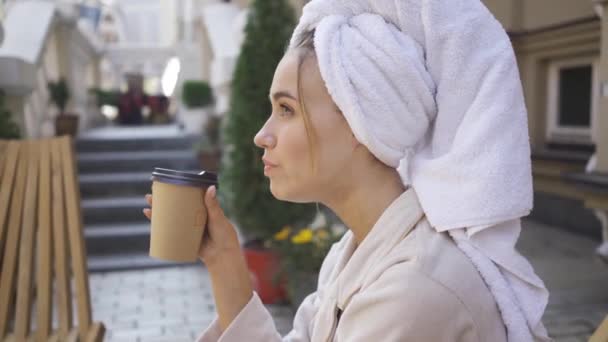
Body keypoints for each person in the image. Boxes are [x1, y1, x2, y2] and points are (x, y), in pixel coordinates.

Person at [143, 0, 551, 340]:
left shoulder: (414, 290)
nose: (261, 135)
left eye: (286, 110)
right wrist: (224, 260)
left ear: (361, 123)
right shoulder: (353, 254)